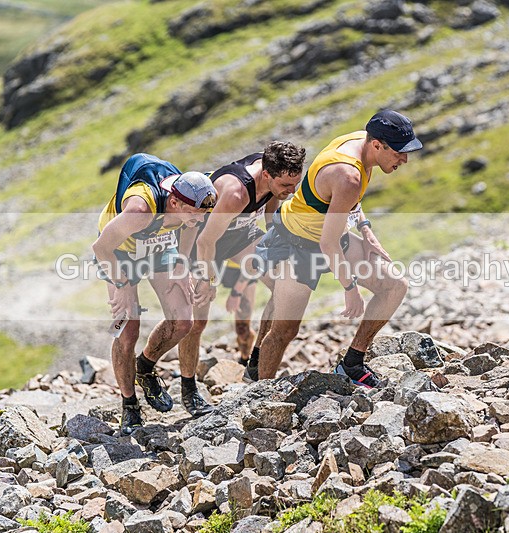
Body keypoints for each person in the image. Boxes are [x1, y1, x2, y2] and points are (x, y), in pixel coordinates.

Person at [248, 110, 421, 387]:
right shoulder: (347, 174)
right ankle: (260, 394)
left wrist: (366, 231)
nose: (404, 159)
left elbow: (348, 205)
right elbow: (327, 242)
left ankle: (352, 362)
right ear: (377, 145)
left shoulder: (359, 143)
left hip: (332, 238)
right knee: (285, 330)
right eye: (400, 152)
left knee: (395, 285)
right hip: (298, 245)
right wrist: (350, 289)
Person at [92, 154, 217, 435]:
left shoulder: (190, 203)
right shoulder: (140, 210)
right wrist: (122, 286)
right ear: (173, 202)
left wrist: (181, 264)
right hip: (119, 251)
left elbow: (189, 228)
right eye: (193, 215)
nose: (197, 221)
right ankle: (130, 405)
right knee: (127, 330)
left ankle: (145, 367)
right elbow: (100, 248)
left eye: (202, 216)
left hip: (159, 245)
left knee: (183, 322)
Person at [177, 142, 306, 408]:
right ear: (267, 175)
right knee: (196, 322)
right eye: (286, 186)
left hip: (240, 236)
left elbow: (271, 216)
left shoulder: (274, 175)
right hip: (202, 243)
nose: (291, 191)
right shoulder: (236, 193)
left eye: (295, 184)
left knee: (286, 284)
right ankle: (188, 388)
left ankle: (256, 359)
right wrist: (207, 279)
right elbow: (205, 244)